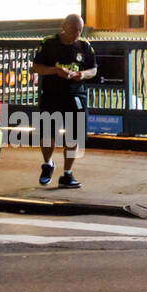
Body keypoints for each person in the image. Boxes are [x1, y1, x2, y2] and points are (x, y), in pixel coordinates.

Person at [30, 14, 97, 188]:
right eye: (73, 29)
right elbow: (36, 67)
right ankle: (48, 164)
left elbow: (93, 70)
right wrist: (55, 71)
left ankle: (67, 174)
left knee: (73, 136)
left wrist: (81, 74)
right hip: (52, 94)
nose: (76, 33)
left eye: (79, 30)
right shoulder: (49, 43)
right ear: (64, 26)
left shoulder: (85, 46)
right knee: (47, 134)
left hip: (75, 96)